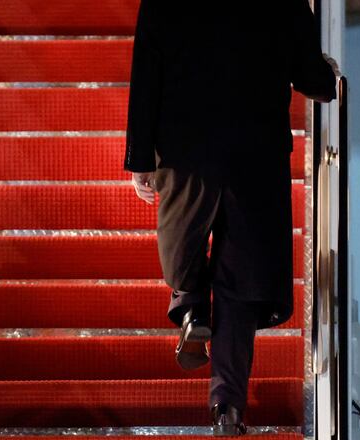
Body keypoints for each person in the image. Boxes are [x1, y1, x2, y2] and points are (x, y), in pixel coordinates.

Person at [123, 0, 337, 435]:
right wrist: (328, 71)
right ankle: (227, 406)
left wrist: (139, 158)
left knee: (185, 241)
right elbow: (313, 78)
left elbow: (147, 75)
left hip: (185, 150)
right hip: (256, 153)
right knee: (239, 285)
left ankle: (191, 308)